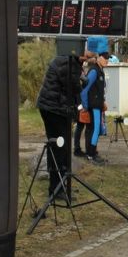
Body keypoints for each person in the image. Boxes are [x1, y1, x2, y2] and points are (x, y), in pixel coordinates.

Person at [36, 46, 84, 197]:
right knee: (59, 148)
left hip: (56, 108)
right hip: (53, 110)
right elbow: (73, 87)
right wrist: (82, 82)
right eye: (91, 53)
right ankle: (56, 189)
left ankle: (62, 184)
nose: (93, 57)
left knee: (61, 147)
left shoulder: (70, 60)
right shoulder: (68, 62)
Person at [81, 37, 109, 165]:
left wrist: (103, 102)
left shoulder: (100, 71)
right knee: (94, 129)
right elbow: (84, 90)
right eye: (105, 57)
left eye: (108, 57)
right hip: (93, 106)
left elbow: (99, 90)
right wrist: (86, 106)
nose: (107, 60)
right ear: (98, 57)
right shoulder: (94, 71)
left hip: (97, 105)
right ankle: (91, 155)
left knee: (96, 129)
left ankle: (93, 153)